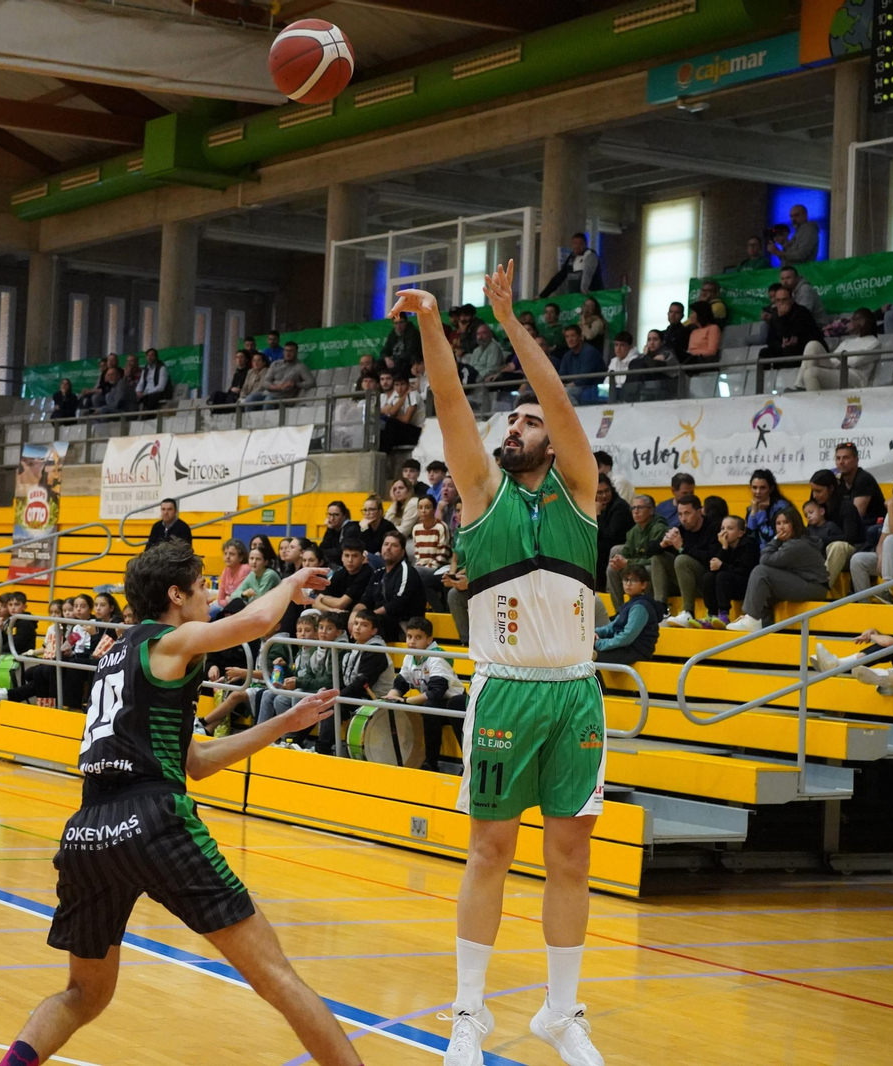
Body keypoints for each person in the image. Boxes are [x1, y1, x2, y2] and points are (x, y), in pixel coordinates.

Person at [0, 542, 362, 1066]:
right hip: (153, 821)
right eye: (203, 587)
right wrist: (290, 582)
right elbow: (257, 619)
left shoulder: (116, 658)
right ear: (175, 595)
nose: (210, 596)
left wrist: (283, 722)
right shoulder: (171, 640)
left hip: (86, 832)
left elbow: (196, 760)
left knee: (85, 995)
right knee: (275, 975)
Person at [397, 261, 609, 1066]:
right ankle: (468, 1014)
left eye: (525, 420)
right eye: (509, 420)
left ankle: (562, 1013)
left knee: (571, 856)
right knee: (490, 851)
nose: (513, 426)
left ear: (550, 441)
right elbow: (451, 403)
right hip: (507, 693)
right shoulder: (481, 494)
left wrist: (512, 322)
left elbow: (558, 401)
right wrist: (429, 323)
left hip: (575, 697)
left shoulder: (581, 490)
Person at [381, 616, 466, 772]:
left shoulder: (437, 657)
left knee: (429, 705)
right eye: (409, 637)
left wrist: (405, 701)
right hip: (434, 703)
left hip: (456, 702)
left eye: (418, 637)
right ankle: (425, 762)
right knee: (425, 707)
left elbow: (436, 692)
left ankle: (463, 763)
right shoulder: (410, 656)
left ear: (429, 640)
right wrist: (392, 696)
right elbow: (401, 683)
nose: (412, 641)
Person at [724, 507, 829, 631]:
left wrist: (775, 540)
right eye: (778, 523)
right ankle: (766, 630)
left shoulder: (796, 545)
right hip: (805, 581)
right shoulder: (794, 541)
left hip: (814, 586)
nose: (781, 527)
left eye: (786, 522)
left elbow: (765, 560)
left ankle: (752, 618)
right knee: (763, 592)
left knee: (761, 572)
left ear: (795, 524)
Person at [607, 494, 674, 612]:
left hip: (662, 572)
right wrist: (619, 561)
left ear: (651, 510)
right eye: (633, 508)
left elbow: (656, 560)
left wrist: (628, 563)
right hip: (637, 565)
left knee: (647, 570)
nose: (636, 511)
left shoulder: (659, 528)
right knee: (612, 569)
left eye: (640, 508)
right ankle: (620, 611)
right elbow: (627, 553)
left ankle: (649, 609)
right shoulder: (633, 531)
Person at [661, 493, 720, 628]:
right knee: (659, 558)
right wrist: (662, 544)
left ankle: (688, 611)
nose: (683, 519)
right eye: (680, 514)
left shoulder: (713, 527)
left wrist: (682, 548)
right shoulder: (682, 529)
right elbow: (650, 551)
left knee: (682, 559)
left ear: (700, 511)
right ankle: (661, 608)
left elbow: (711, 558)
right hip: (687, 580)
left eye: (687, 513)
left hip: (708, 581)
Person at [360, 529, 425, 643]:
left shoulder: (407, 571)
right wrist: (355, 615)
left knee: (372, 623)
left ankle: (373, 658)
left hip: (404, 625)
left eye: (394, 545)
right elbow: (365, 600)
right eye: (386, 544)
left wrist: (369, 616)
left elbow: (397, 604)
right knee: (344, 619)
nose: (388, 548)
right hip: (383, 620)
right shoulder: (378, 573)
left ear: (402, 552)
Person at [594, 565, 663, 666]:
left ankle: (600, 683)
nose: (628, 584)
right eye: (626, 580)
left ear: (644, 585)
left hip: (636, 651)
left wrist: (600, 643)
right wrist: (594, 633)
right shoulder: (630, 604)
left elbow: (627, 636)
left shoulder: (640, 606)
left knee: (592, 658)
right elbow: (613, 626)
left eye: (633, 580)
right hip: (627, 648)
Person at [701, 516, 760, 628]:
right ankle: (711, 614)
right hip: (728, 584)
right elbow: (713, 567)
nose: (724, 532)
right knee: (708, 577)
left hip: (745, 586)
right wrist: (724, 548)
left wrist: (722, 565)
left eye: (729, 528)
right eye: (722, 528)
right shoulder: (722, 544)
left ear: (740, 533)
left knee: (723, 576)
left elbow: (744, 572)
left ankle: (724, 614)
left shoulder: (749, 546)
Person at [761, 284, 827, 377]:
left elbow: (793, 336)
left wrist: (783, 318)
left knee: (790, 350)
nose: (781, 304)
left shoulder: (801, 312)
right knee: (765, 352)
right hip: (784, 348)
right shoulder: (775, 316)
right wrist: (781, 345)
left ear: (791, 300)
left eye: (784, 300)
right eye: (778, 301)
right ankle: (766, 382)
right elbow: (770, 340)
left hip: (804, 347)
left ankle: (790, 380)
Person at [835, 441, 887, 543]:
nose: (841, 462)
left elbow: (856, 515)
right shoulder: (839, 481)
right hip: (855, 526)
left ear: (856, 460)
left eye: (846, 458)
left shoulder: (863, 479)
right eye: (838, 458)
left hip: (873, 525)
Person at [594, 476, 633, 594]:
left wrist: (598, 515)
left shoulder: (620, 507)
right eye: (599, 492)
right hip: (607, 543)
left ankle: (600, 588)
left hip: (620, 545)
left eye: (607, 491)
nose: (604, 495)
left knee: (599, 547)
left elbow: (610, 535)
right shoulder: (594, 505)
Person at [315, 538, 372, 613]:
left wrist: (323, 598)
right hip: (337, 612)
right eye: (347, 555)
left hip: (357, 614)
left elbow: (341, 604)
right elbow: (315, 603)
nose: (350, 560)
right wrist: (331, 610)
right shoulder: (340, 573)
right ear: (342, 557)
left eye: (355, 556)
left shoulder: (366, 573)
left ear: (362, 558)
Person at [539, 233, 603, 297]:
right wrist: (543, 295)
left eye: (580, 244)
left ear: (585, 244)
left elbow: (588, 273)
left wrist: (584, 290)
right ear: (572, 245)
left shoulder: (590, 256)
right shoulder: (571, 258)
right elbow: (559, 277)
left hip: (590, 297)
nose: (577, 246)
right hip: (576, 297)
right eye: (575, 243)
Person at [556, 324, 606, 405]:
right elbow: (562, 376)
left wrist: (565, 386)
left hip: (592, 389)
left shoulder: (589, 352)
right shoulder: (567, 355)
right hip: (576, 388)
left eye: (573, 336)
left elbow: (584, 379)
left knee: (564, 392)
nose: (570, 339)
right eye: (567, 337)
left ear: (580, 337)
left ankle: (577, 413)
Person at [743, 469, 790, 546]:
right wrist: (753, 513)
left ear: (771, 489)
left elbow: (768, 537)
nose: (758, 492)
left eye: (762, 488)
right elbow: (750, 536)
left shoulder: (781, 507)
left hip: (777, 550)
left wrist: (762, 512)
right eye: (754, 488)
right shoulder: (752, 507)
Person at [209, 539, 250, 621]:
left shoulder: (245, 569)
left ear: (241, 557)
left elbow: (238, 599)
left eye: (231, 554)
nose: (227, 557)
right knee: (207, 611)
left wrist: (228, 599)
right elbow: (220, 598)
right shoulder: (226, 570)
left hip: (241, 608)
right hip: (226, 605)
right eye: (225, 553)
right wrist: (227, 600)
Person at [379, 376, 422, 450]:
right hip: (406, 430)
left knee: (391, 423)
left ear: (408, 385)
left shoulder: (413, 395)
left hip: (418, 431)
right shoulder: (397, 397)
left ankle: (385, 452)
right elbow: (392, 411)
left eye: (402, 384)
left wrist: (392, 416)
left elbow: (406, 419)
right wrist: (405, 395)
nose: (400, 388)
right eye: (397, 385)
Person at [683, 300, 721, 373]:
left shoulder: (713, 328)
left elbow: (711, 352)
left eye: (692, 313)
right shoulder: (693, 332)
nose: (690, 316)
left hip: (705, 363)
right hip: (692, 362)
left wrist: (692, 352)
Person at [318, 500, 355, 567]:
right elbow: (323, 547)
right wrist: (329, 530)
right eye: (329, 514)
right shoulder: (332, 528)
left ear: (344, 515)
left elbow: (341, 551)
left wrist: (323, 552)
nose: (332, 518)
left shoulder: (351, 529)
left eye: (336, 515)